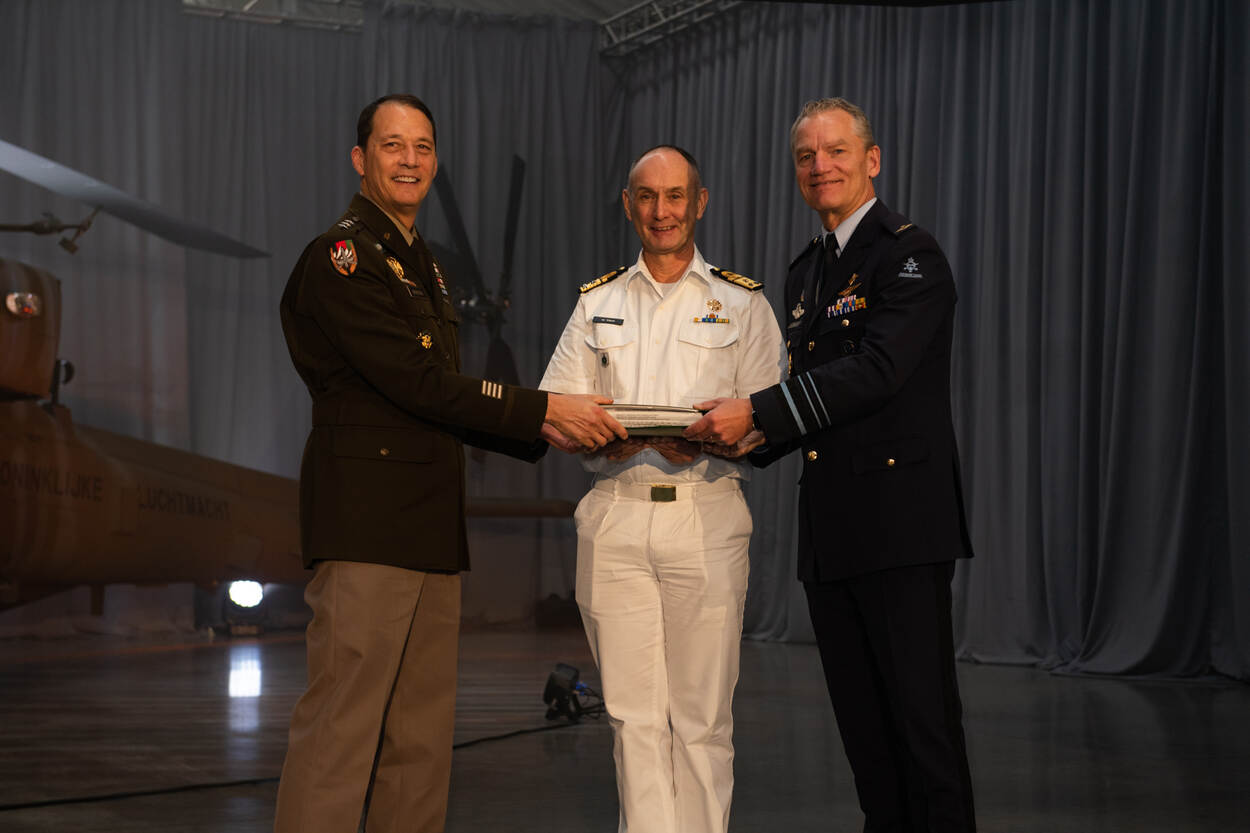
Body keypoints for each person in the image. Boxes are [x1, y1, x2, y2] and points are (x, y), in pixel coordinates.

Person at [274, 93, 625, 833]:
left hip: (431, 526)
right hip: (368, 527)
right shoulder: (342, 259)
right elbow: (417, 383)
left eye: (423, 147)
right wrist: (541, 410)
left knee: (421, 740)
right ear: (360, 158)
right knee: (342, 733)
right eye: (392, 145)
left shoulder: (422, 265)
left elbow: (441, 397)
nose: (410, 160)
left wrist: (546, 429)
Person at [686, 98, 977, 832]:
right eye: (806, 156)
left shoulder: (909, 255)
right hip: (834, 530)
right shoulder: (808, 273)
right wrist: (743, 439)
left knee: (924, 732)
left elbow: (876, 372)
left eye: (836, 150)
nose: (821, 166)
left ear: (871, 160)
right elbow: (811, 396)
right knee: (867, 740)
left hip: (902, 529)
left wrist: (757, 412)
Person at [539, 145, 785, 833]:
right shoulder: (597, 302)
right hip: (614, 512)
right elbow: (555, 408)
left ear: (698, 202)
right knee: (631, 718)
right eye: (647, 196)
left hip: (706, 511)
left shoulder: (742, 302)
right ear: (628, 205)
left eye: (676, 196)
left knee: (702, 720)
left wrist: (712, 438)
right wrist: (591, 433)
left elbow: (772, 416)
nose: (662, 211)